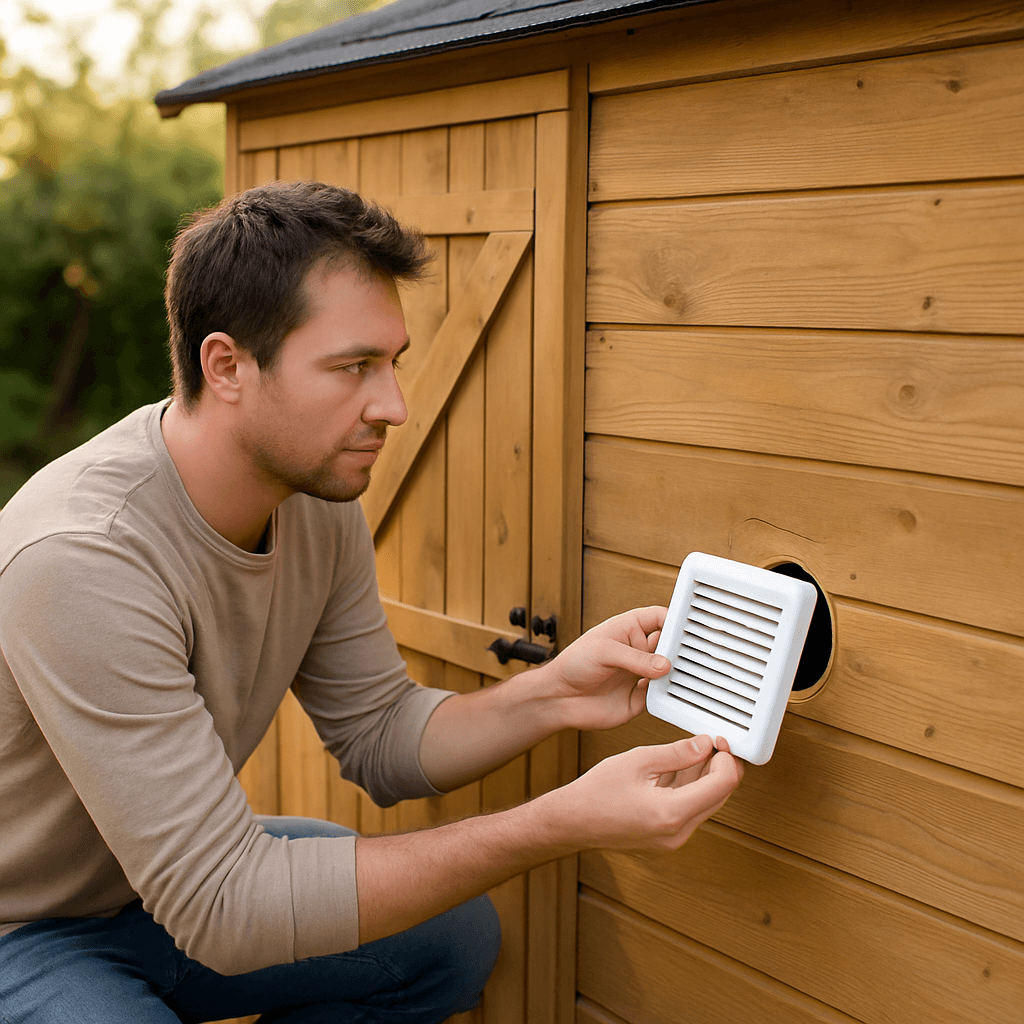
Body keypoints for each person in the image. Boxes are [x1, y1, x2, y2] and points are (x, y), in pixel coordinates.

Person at [0, 181, 743, 1023]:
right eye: (354, 367)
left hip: (160, 886)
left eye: (392, 362)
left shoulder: (312, 502)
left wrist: (556, 692)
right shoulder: (82, 559)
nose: (392, 406)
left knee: (448, 942)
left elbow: (380, 734)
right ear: (227, 365)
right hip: (19, 929)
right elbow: (225, 907)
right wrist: (556, 822)